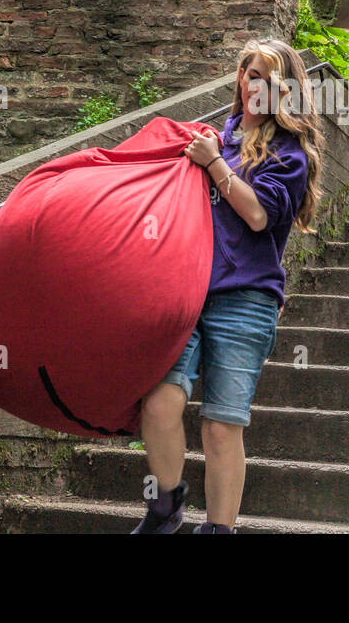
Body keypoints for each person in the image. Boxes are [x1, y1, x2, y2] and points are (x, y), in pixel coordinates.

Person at [131, 39, 324, 534]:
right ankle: (166, 508)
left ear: (287, 89)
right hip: (188, 291)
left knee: (221, 424)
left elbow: (258, 215)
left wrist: (215, 165)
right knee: (159, 401)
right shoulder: (220, 136)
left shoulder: (291, 153)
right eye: (247, 72)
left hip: (247, 300)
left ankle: (219, 529)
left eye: (264, 75)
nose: (251, 82)